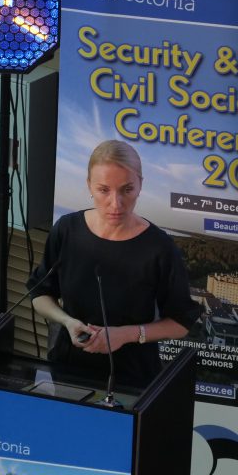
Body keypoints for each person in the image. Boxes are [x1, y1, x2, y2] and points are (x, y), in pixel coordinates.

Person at [29, 140, 202, 386]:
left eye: (127, 190)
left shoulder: (160, 247)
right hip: (69, 369)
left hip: (133, 379)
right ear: (89, 185)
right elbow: (40, 294)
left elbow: (181, 322)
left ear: (140, 185)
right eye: (104, 190)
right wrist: (68, 322)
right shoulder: (67, 230)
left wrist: (126, 334)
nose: (116, 203)